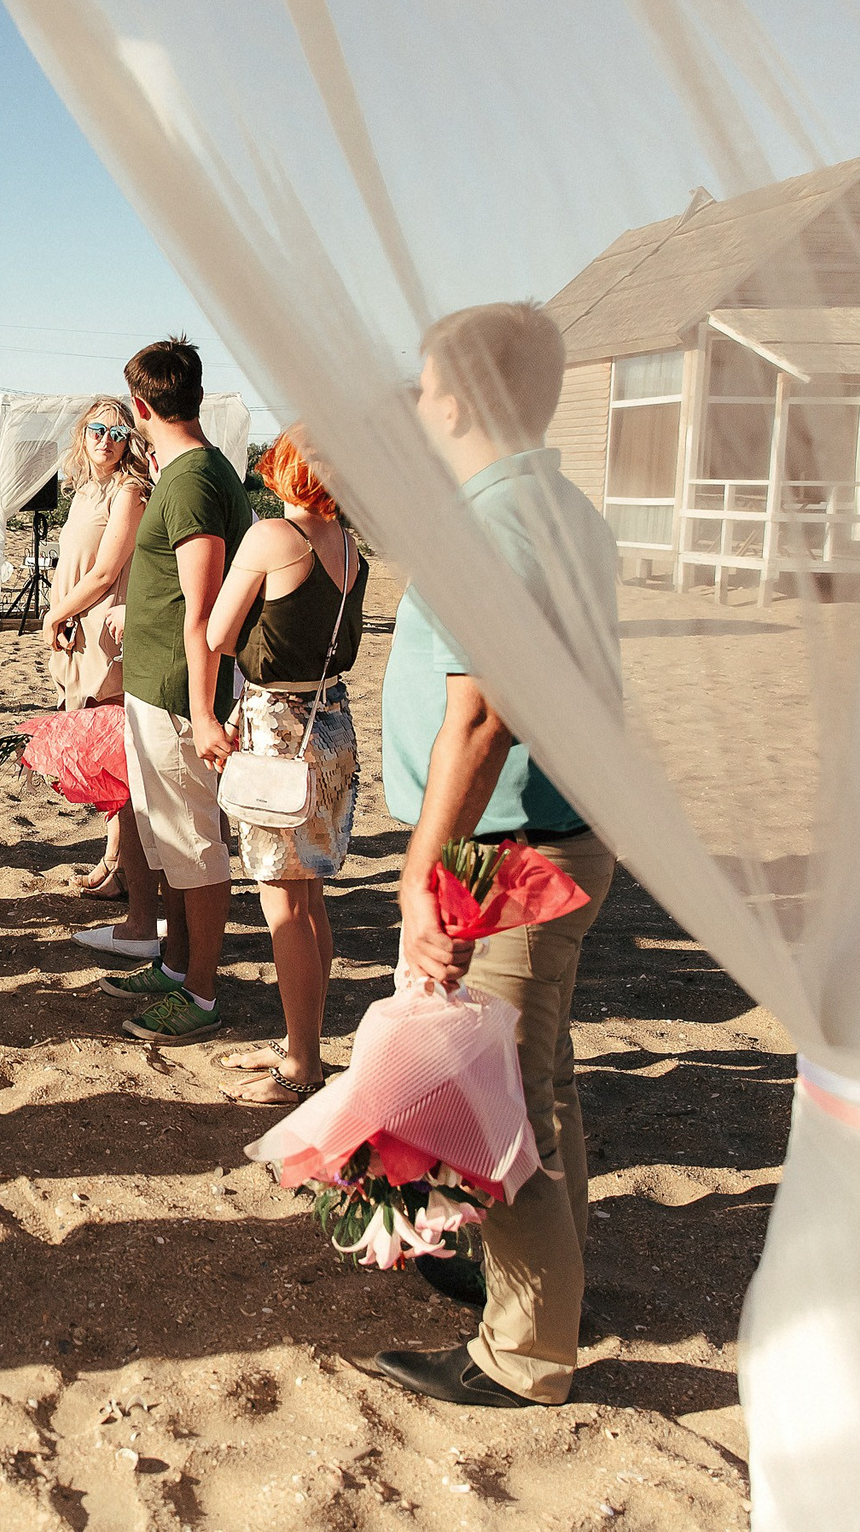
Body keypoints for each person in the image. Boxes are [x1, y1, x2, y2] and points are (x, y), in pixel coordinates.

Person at [360, 301, 622, 1411]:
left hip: (509, 850)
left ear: (459, 398)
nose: (416, 405)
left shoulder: (495, 521)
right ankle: (545, 1292)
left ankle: (524, 1357)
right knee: (537, 1086)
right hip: (556, 832)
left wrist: (428, 878)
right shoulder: (555, 504)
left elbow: (479, 720)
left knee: (497, 1102)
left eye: (424, 386)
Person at [204, 426, 366, 1107]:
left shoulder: (274, 537)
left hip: (280, 728)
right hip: (333, 723)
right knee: (311, 898)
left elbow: (216, 632)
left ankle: (301, 1064)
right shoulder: (348, 545)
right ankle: (306, 1040)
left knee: (284, 902)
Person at [96, 338, 250, 1044]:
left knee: (194, 845)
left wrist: (198, 706)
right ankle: (179, 965)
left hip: (178, 694)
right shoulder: (198, 469)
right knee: (173, 842)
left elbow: (203, 607)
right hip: (162, 685)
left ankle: (202, 993)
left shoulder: (190, 480)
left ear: (141, 406)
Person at [39, 401, 163, 949]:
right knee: (97, 753)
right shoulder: (87, 489)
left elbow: (109, 569)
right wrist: (63, 614)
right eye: (98, 430)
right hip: (78, 628)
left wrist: (57, 612)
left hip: (106, 635)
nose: (107, 440)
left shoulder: (129, 491)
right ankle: (112, 860)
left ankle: (122, 869)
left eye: (118, 431)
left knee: (114, 757)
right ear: (82, 435)